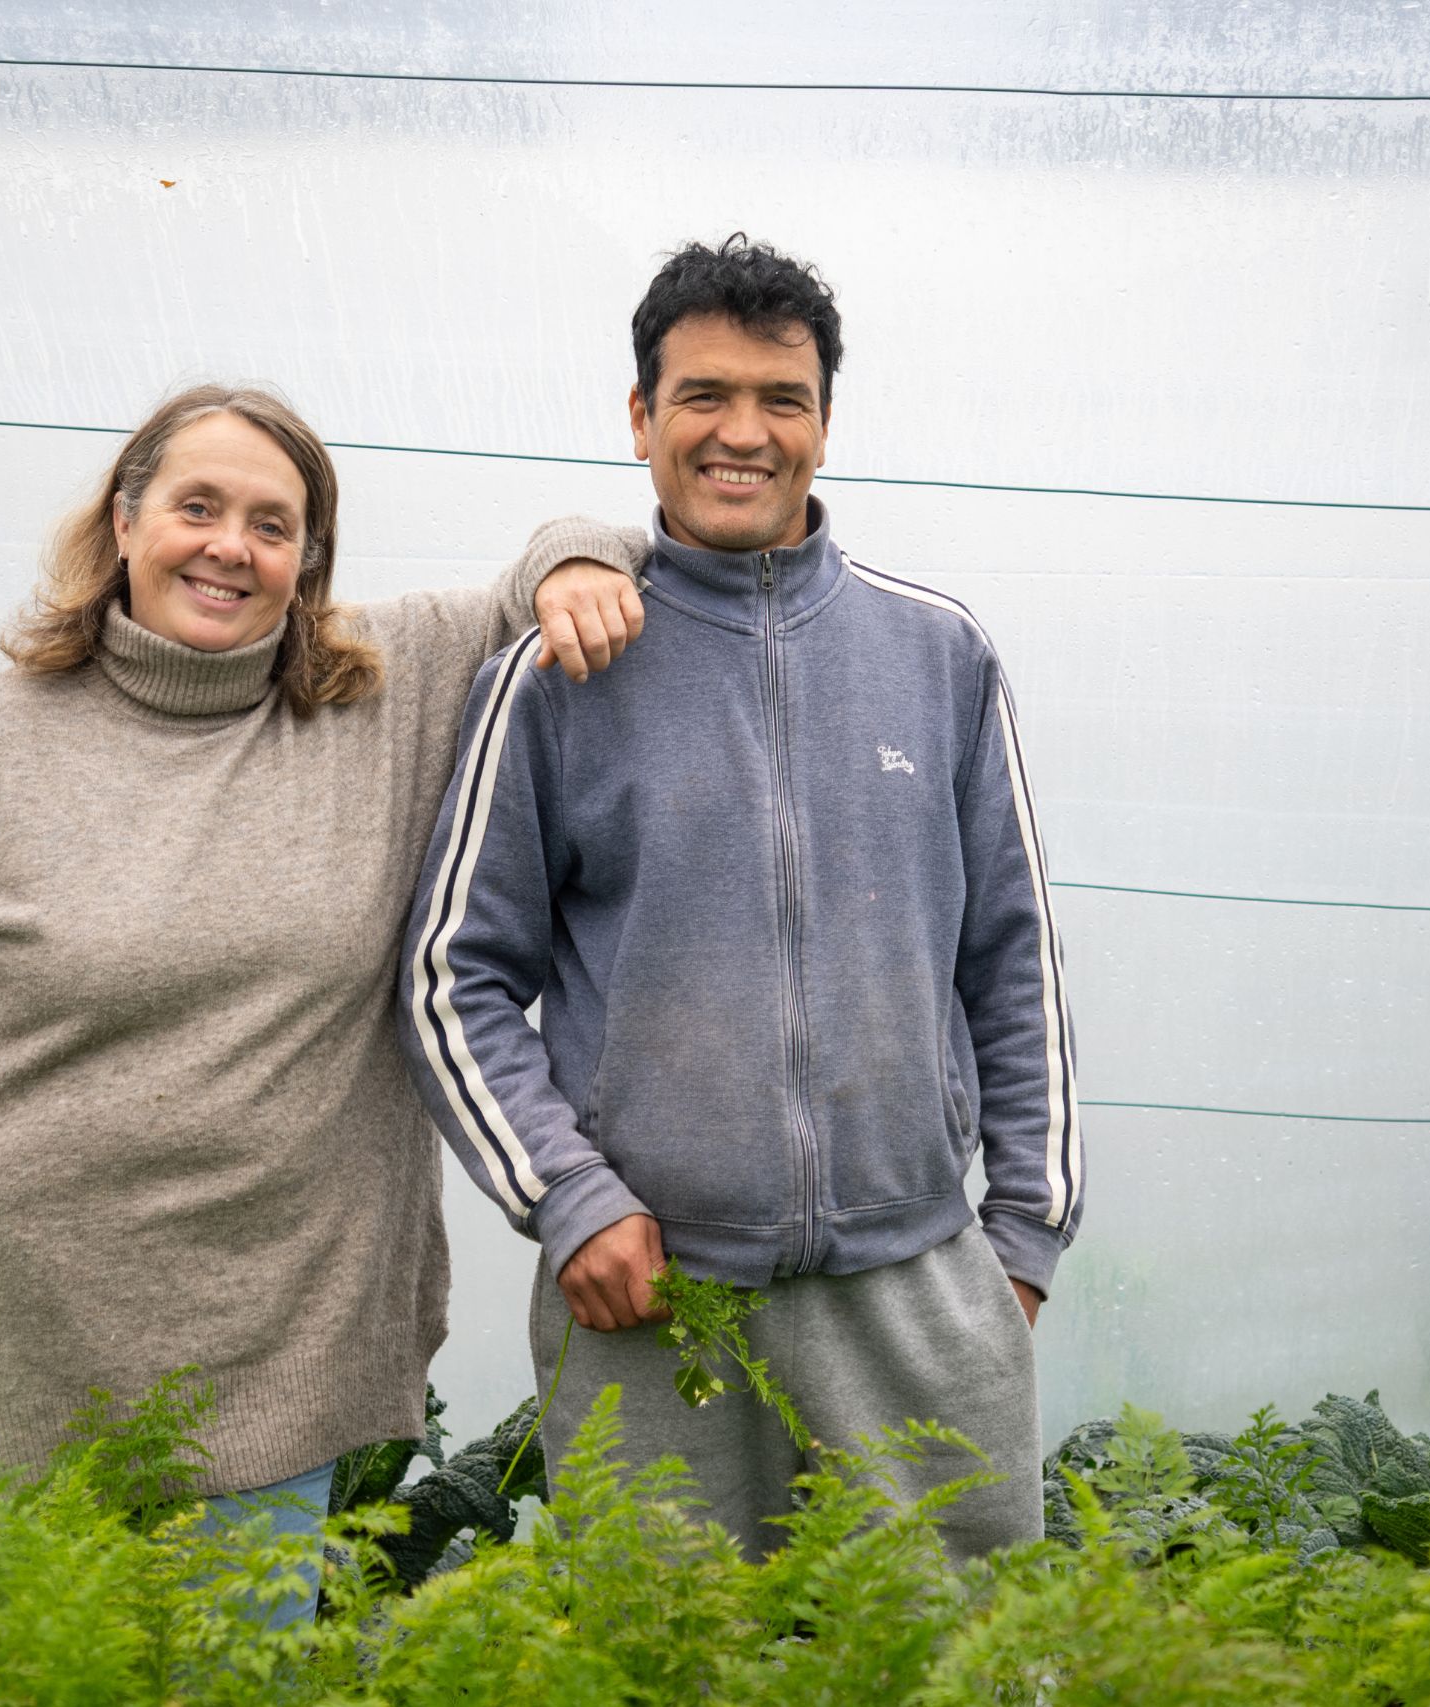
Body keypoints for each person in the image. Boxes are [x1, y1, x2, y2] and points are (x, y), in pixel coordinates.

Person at [0, 383, 648, 1569]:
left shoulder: (381, 696)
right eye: (198, 507)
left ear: (309, 559)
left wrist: (576, 570)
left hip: (268, 1344)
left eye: (272, 524)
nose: (231, 547)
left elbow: (561, 563)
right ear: (124, 522)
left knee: (233, 1668)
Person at [396, 235, 1082, 1558]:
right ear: (642, 419)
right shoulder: (555, 674)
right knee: (670, 1665)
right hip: (655, 1316)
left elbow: (1013, 959)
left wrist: (1023, 1238)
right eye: (703, 395)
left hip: (924, 1294)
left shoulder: (937, 652)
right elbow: (451, 979)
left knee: (951, 1665)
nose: (743, 433)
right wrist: (570, 1195)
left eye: (784, 399)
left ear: (828, 423)